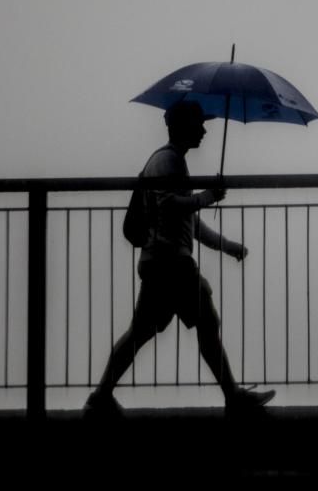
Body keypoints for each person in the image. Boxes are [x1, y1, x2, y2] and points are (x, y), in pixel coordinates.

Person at [84, 100, 275, 416]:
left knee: (143, 331)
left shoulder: (170, 161)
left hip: (161, 262)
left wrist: (226, 244)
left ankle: (100, 398)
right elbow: (171, 205)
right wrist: (207, 197)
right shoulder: (169, 161)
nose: (203, 130)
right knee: (205, 322)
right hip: (171, 263)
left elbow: (189, 222)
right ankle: (234, 399)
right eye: (198, 124)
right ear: (183, 126)